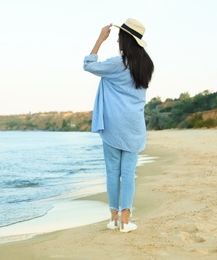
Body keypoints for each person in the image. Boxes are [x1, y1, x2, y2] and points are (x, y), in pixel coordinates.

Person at [83, 18, 154, 233]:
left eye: (118, 37)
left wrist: (99, 39)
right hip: (134, 125)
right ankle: (125, 221)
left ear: (126, 39)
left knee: (112, 172)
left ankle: (114, 219)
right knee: (128, 173)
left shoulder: (117, 63)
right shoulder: (147, 65)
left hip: (114, 124)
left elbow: (88, 65)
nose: (116, 41)